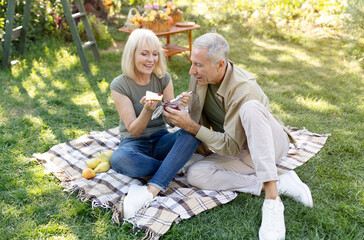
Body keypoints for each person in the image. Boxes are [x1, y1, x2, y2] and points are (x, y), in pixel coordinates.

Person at [163, 33, 313, 240]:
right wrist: (175, 114)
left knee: (251, 108)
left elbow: (224, 143)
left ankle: (272, 200)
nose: (191, 71)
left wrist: (190, 126)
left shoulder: (244, 89)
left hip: (271, 144)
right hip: (241, 152)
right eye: (192, 63)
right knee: (196, 174)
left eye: (198, 65)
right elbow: (198, 123)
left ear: (220, 64)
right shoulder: (200, 77)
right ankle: (276, 181)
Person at [109, 29, 200, 219]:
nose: (151, 59)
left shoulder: (163, 79)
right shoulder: (119, 85)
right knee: (119, 159)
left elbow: (168, 119)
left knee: (193, 132)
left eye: (154, 54)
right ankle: (173, 165)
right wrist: (147, 110)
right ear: (131, 54)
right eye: (144, 54)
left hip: (161, 139)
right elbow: (134, 130)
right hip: (134, 144)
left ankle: (151, 188)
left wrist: (178, 106)